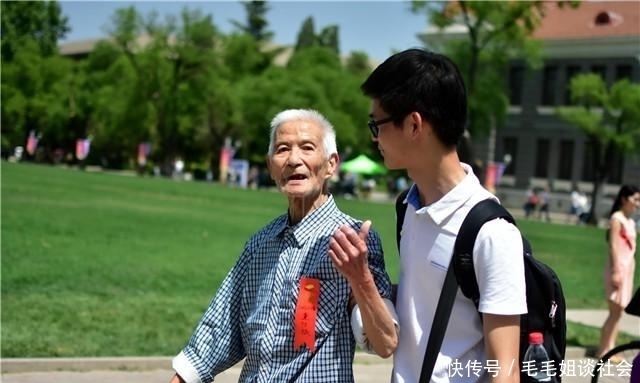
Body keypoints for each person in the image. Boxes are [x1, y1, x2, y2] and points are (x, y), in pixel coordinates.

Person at [169, 109, 398, 383]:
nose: (293, 159)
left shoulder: (353, 240)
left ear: (331, 165)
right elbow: (217, 331)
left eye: (307, 148)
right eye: (282, 149)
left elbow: (384, 343)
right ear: (270, 166)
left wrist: (360, 278)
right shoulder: (259, 244)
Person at [358, 48, 527, 382]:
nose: (373, 136)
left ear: (413, 125)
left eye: (376, 124)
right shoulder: (407, 206)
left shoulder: (491, 232)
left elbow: (505, 372)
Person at [595, 184, 640, 361]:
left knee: (618, 313)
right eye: (635, 199)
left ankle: (611, 347)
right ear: (624, 199)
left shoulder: (629, 221)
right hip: (617, 268)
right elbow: (613, 245)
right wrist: (615, 271)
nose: (637, 204)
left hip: (627, 269)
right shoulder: (617, 219)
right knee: (614, 312)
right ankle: (603, 350)